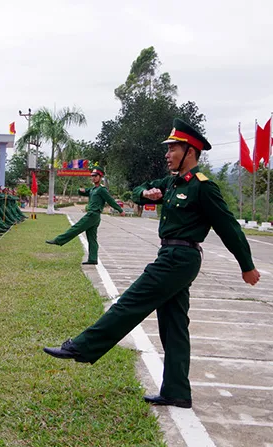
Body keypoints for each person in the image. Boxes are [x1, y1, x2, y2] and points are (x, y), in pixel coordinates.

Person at [43, 119, 261, 408]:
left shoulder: (203, 188)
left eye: (173, 149)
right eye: (168, 149)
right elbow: (138, 190)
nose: (167, 154)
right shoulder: (170, 183)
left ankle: (82, 347)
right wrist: (146, 193)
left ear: (190, 152)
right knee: (174, 326)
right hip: (169, 255)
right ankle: (177, 392)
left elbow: (229, 227)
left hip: (181, 258)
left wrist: (246, 265)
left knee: (132, 301)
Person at [45, 166, 125, 265]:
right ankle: (93, 259)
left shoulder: (102, 190)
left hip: (93, 214)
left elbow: (110, 200)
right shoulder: (92, 189)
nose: (93, 178)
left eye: (95, 176)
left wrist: (120, 210)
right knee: (92, 238)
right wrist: (80, 190)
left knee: (76, 228)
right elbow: (83, 192)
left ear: (100, 177)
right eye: (92, 176)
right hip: (93, 216)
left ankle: (58, 240)